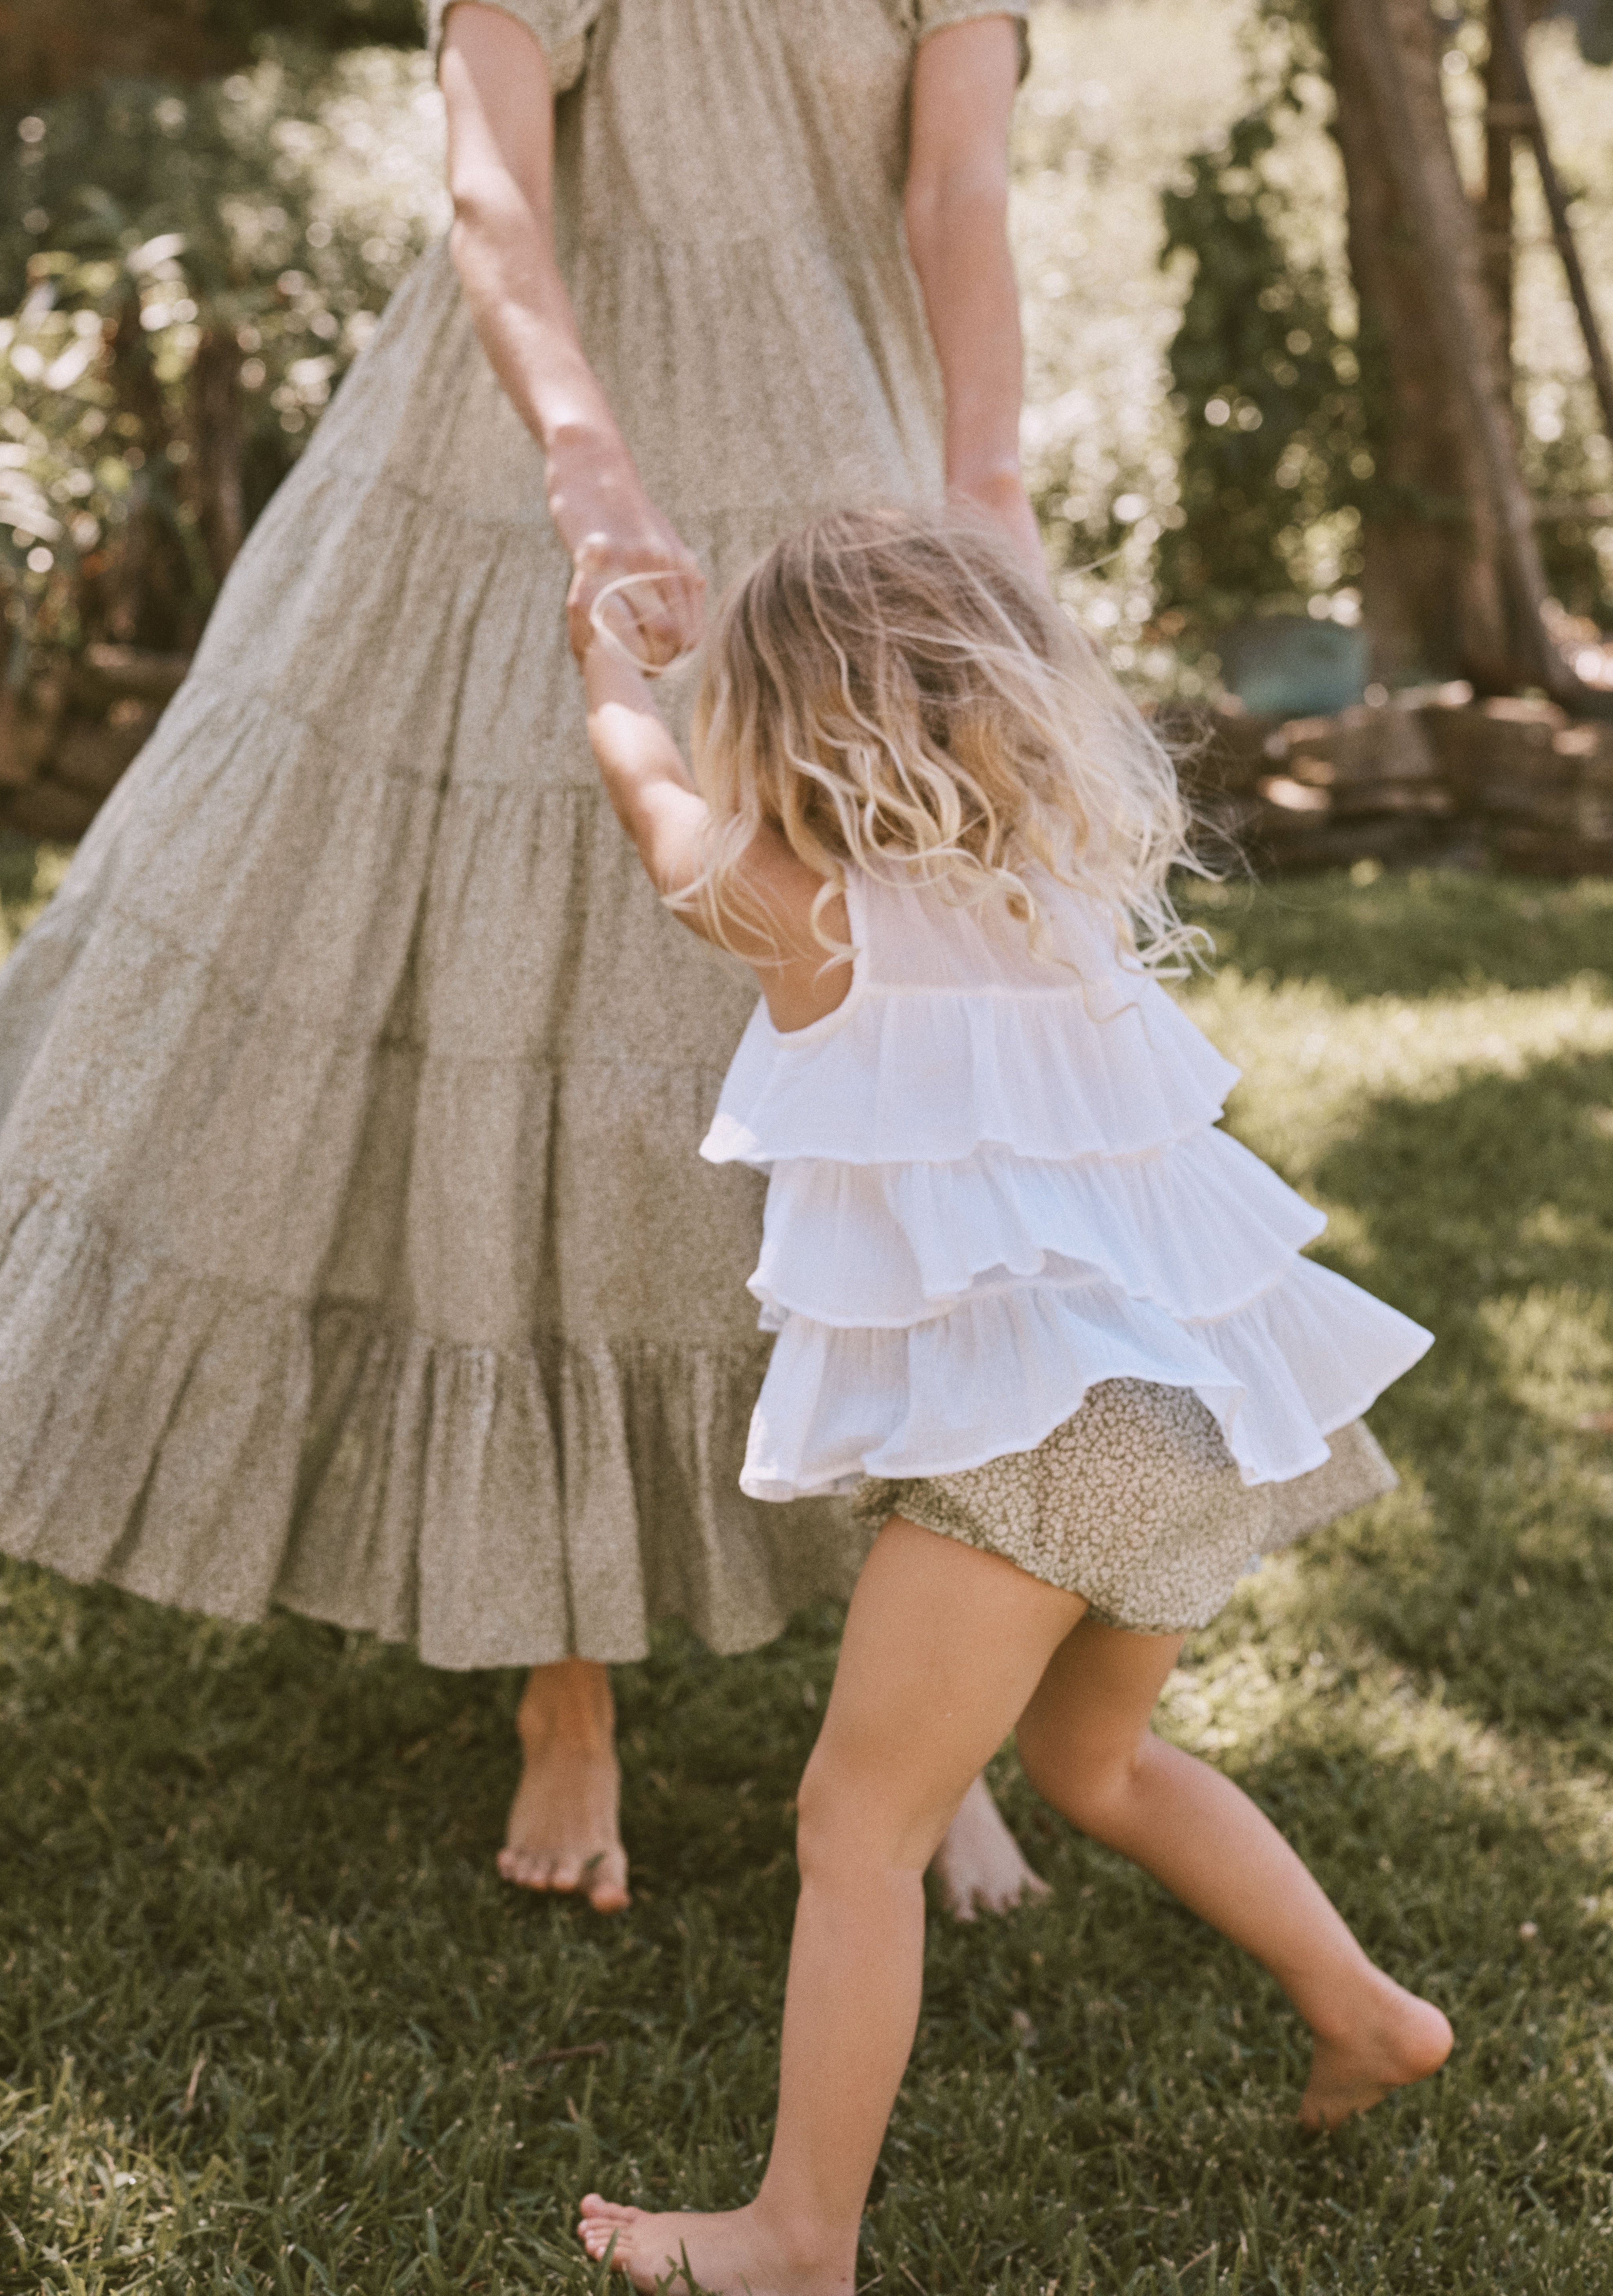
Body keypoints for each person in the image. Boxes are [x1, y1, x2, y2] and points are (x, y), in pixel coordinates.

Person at [0, 2, 1044, 1915]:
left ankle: (921, 1703)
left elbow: (959, 189)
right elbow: (490, 186)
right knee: (523, 1017)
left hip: (832, 497)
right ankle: (564, 1685)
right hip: (527, 472)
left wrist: (988, 498)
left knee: (901, 1081)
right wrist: (589, 477)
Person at [570, 508, 1454, 2293]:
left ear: (789, 729)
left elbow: (646, 798)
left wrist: (609, 655)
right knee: (1095, 1761)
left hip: (1041, 1433)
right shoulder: (1064, 900)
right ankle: (1368, 2011)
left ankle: (798, 2237)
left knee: (859, 1827)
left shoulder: (811, 920)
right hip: (1189, 1411)